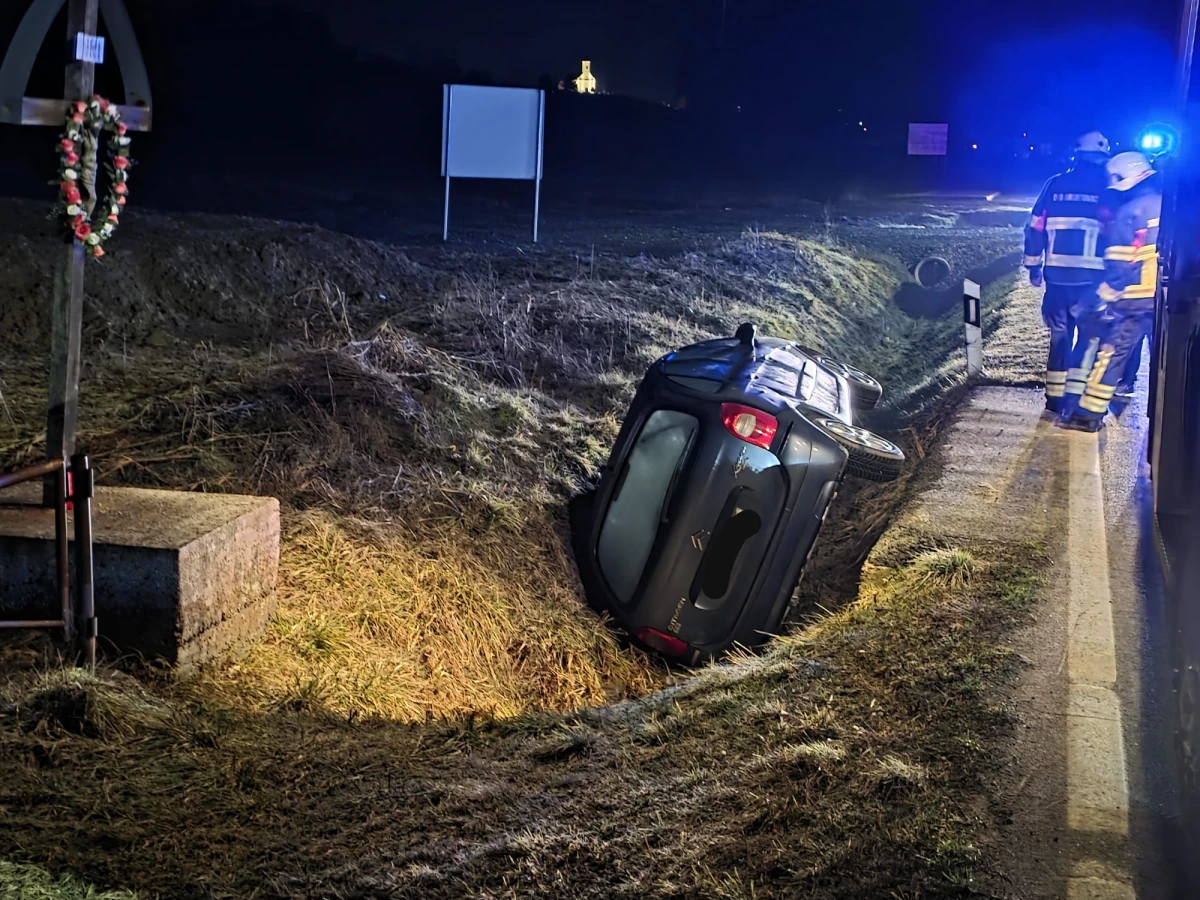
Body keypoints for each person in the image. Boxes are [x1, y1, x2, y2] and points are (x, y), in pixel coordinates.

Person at [1059, 151, 1162, 432]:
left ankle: (1087, 416)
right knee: (1166, 362)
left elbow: (1119, 265)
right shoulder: (1169, 206)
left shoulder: (1129, 213)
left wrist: (1100, 299)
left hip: (1135, 300)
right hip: (1165, 300)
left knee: (1111, 355)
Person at [1023, 131, 1112, 417]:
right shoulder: (1110, 190)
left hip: (1057, 277)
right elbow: (1118, 233)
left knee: (1059, 337)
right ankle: (1074, 398)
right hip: (1093, 280)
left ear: (1077, 156)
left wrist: (1033, 266)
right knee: (1088, 339)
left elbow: (1035, 227)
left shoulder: (1055, 184)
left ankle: (1053, 399)